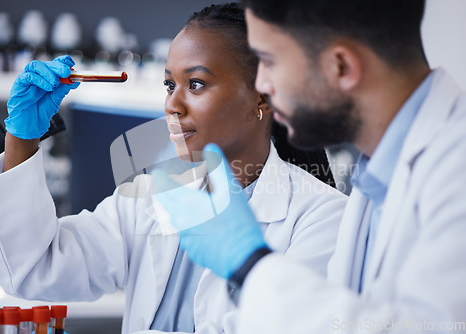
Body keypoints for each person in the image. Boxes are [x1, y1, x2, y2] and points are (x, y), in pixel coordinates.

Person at [0, 4, 347, 334]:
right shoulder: (151, 197)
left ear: (261, 97)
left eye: (195, 84)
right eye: (169, 85)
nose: (172, 105)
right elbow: (39, 267)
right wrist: (21, 136)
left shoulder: (321, 218)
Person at [152, 0, 466, 333]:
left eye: (270, 62)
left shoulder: (455, 169)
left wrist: (250, 264)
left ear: (341, 66)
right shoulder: (376, 177)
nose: (263, 86)